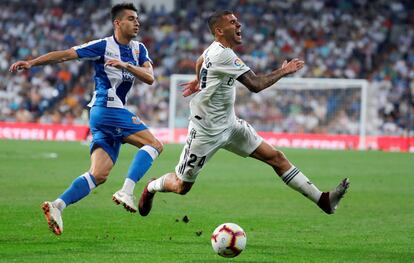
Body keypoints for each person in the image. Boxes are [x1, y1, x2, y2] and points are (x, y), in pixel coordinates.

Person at [137, 10, 349, 217]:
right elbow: (255, 85)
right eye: (232, 22)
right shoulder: (223, 55)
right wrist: (284, 70)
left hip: (230, 125)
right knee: (182, 186)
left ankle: (323, 200)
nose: (238, 25)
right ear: (219, 30)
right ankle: (152, 186)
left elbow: (199, 61)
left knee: (276, 157)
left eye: (237, 21)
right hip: (205, 131)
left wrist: (198, 80)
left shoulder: (214, 49)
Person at [9, 3, 163, 235]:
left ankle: (57, 205)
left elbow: (150, 77)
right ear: (117, 23)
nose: (137, 23)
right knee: (154, 144)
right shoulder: (103, 45)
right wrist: (32, 63)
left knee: (98, 175)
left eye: (137, 19)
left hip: (106, 115)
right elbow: (66, 55)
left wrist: (125, 65)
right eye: (131, 18)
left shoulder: (139, 49)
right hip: (106, 108)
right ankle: (127, 191)